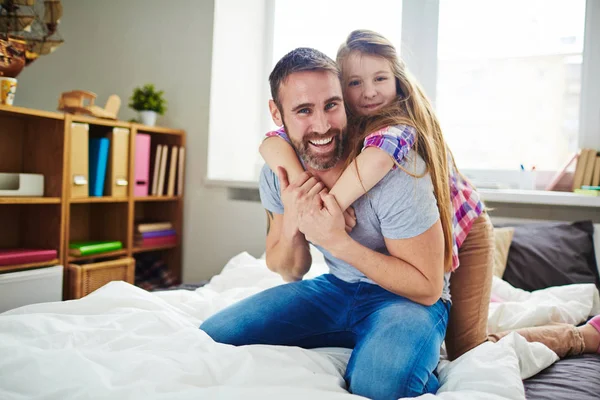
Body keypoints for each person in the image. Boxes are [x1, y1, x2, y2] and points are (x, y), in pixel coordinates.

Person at [258, 29, 600, 361]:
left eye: (380, 79)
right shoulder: (336, 122)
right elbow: (273, 141)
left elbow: (373, 165)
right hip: (428, 234)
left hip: (466, 231)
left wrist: (326, 209)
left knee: (468, 349)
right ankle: (482, 306)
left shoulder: (397, 127)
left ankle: (581, 336)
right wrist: (301, 185)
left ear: (397, 80)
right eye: (354, 83)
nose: (368, 93)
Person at [202, 46, 451, 399]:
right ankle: (363, 336)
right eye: (304, 110)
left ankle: (402, 353)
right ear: (276, 113)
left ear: (345, 103)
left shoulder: (394, 168)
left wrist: (338, 242)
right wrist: (294, 219)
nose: (321, 126)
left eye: (331, 105)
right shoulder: (280, 172)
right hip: (339, 288)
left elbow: (427, 287)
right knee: (214, 335)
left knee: (377, 386)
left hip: (408, 301)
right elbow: (289, 269)